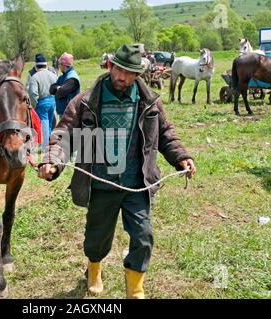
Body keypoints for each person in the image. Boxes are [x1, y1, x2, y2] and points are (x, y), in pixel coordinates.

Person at [38, 44, 196, 299]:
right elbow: (64, 134)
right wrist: (52, 160)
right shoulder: (87, 101)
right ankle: (94, 269)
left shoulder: (150, 102)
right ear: (110, 66)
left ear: (138, 74)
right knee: (96, 238)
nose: (122, 77)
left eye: (129, 72)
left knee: (143, 236)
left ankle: (135, 287)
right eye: (118, 69)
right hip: (101, 183)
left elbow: (166, 133)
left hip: (136, 183)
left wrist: (182, 157)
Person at [28, 54, 58, 149]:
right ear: (46, 65)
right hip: (52, 100)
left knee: (43, 123)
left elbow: (33, 93)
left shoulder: (35, 77)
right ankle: (48, 141)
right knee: (49, 122)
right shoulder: (53, 75)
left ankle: (44, 146)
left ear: (36, 66)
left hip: (41, 102)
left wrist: (34, 105)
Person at [49, 52, 81, 117]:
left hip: (71, 114)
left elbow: (60, 93)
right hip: (64, 112)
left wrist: (58, 89)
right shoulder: (63, 76)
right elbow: (51, 89)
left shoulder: (72, 78)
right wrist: (58, 88)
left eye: (60, 64)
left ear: (64, 65)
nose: (59, 66)